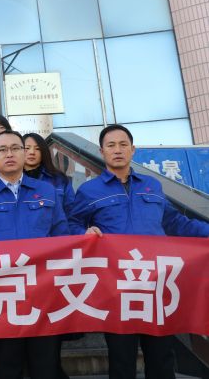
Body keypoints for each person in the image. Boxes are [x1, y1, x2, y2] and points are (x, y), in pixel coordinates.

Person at [69, 124, 209, 379]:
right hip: (117, 287)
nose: (118, 150)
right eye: (111, 145)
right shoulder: (89, 191)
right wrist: (83, 233)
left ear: (133, 150)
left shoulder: (152, 186)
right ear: (102, 151)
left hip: (156, 284)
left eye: (123, 145)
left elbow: (175, 222)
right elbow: (71, 224)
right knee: (122, 359)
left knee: (162, 357)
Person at [0, 130, 69, 379]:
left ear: (24, 153)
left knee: (45, 364)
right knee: (7, 363)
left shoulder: (46, 191)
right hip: (3, 293)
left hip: (42, 289)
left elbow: (61, 235)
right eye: (2, 150)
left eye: (15, 148)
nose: (9, 154)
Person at [23, 133, 74, 216]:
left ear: (44, 152)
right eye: (27, 148)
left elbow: (72, 213)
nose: (32, 152)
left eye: (37, 149)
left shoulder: (59, 180)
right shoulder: (12, 179)